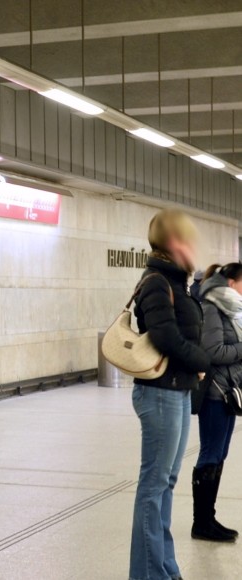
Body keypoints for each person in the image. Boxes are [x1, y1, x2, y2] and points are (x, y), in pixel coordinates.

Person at [129, 209, 210, 580]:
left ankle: (164, 568)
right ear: (173, 241)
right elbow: (165, 336)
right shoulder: (156, 282)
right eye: (187, 238)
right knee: (153, 486)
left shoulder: (176, 281)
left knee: (165, 484)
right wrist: (201, 361)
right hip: (160, 394)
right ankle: (148, 573)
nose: (193, 245)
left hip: (176, 390)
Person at [192, 263, 242, 543]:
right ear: (231, 283)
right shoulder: (213, 307)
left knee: (220, 453)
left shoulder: (232, 308)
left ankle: (209, 518)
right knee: (210, 453)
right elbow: (213, 351)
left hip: (229, 390)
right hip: (214, 391)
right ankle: (201, 523)